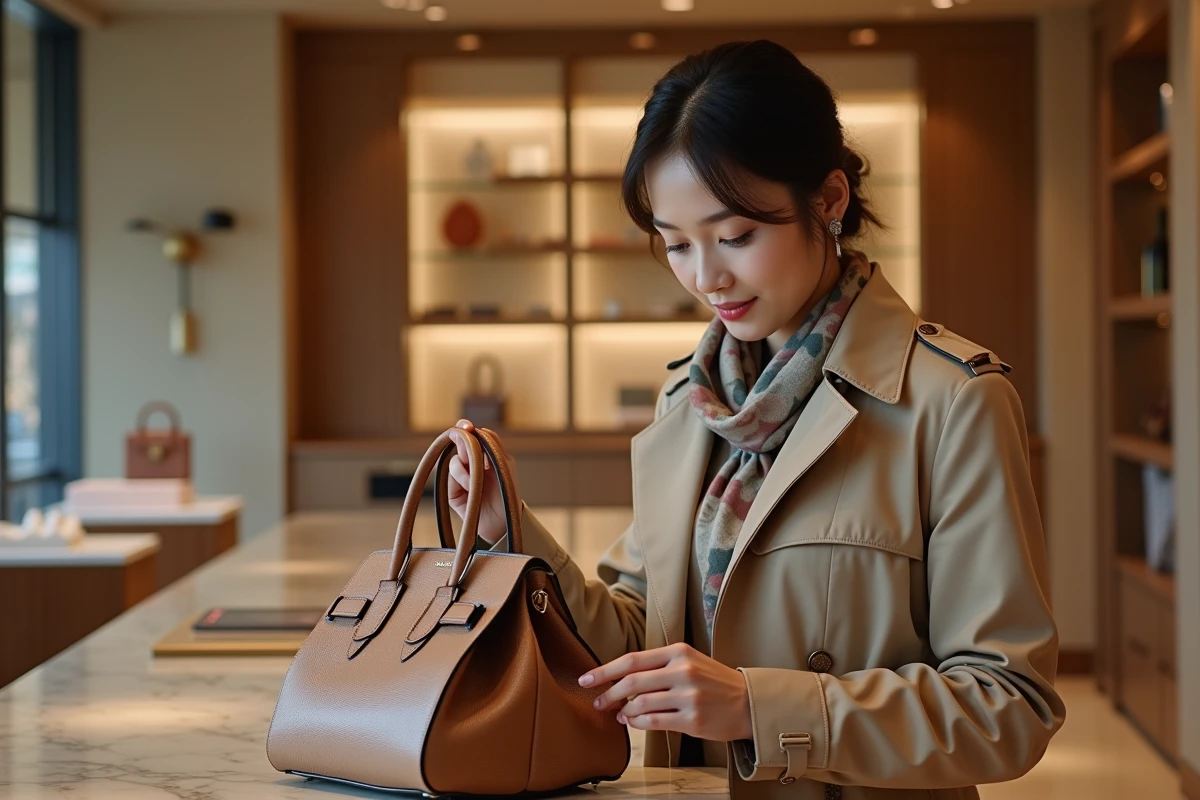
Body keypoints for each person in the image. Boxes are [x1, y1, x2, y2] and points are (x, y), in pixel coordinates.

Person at [447, 39, 1064, 800]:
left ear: (829, 200)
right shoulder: (690, 403)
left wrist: (756, 706)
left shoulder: (951, 401)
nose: (706, 277)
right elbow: (637, 645)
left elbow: (1011, 706)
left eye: (736, 236)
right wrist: (510, 532)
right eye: (675, 245)